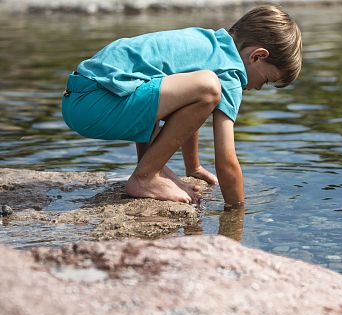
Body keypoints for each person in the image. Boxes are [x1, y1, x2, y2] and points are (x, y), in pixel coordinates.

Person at [61, 5, 302, 207]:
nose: (259, 88)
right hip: (96, 105)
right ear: (257, 56)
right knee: (208, 87)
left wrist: (193, 167)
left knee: (189, 87)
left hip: (80, 99)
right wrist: (237, 212)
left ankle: (152, 170)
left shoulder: (209, 44)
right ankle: (145, 176)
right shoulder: (231, 70)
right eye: (267, 80)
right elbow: (227, 160)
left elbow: (188, 109)